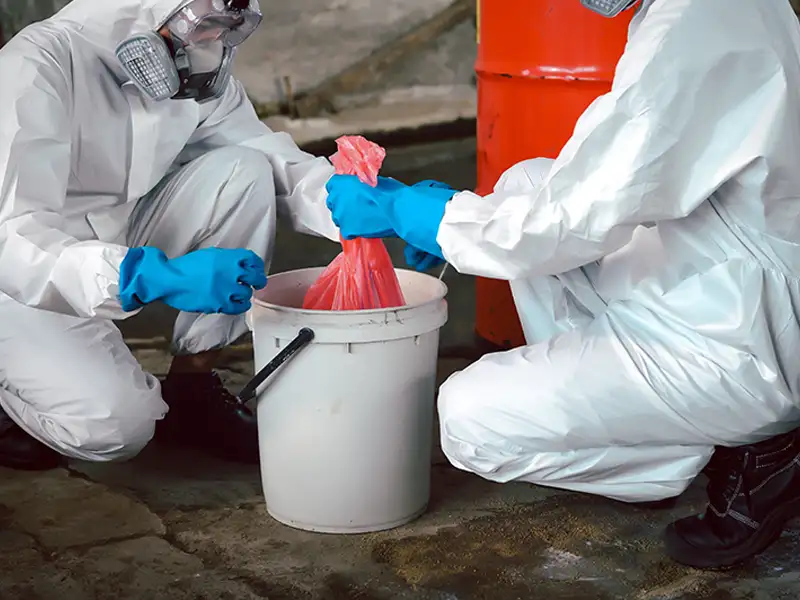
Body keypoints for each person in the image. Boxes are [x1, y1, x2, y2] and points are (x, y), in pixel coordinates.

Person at [325, 0, 800, 570]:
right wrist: (459, 215)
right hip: (721, 274)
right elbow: (595, 187)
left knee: (467, 422)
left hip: (742, 348)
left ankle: (742, 450)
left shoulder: (690, 32)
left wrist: (424, 215)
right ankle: (639, 405)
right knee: (523, 181)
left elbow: (570, 218)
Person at [0, 0, 340, 469]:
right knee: (115, 427)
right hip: (20, 276)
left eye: (225, 26)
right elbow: (12, 238)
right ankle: (15, 400)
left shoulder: (187, 62)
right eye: (205, 24)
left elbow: (265, 154)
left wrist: (359, 203)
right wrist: (142, 275)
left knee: (243, 171)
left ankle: (192, 391)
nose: (213, 42)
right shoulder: (36, 67)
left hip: (113, 231)